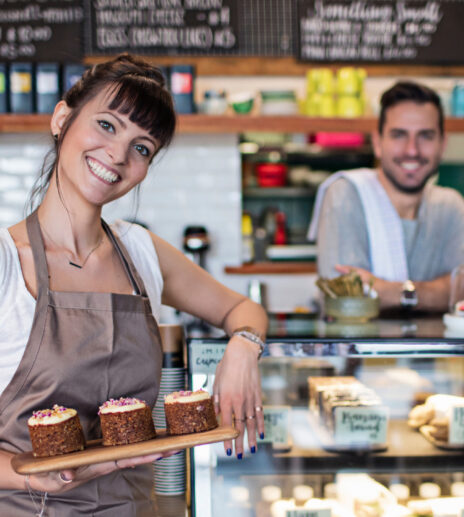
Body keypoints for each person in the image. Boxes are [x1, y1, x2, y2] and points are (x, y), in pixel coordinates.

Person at [0, 54, 267, 515]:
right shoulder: (6, 262)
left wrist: (243, 347)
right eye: (106, 125)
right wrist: (24, 471)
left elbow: (242, 309)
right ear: (62, 118)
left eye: (142, 147)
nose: (119, 155)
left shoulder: (141, 251)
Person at [308, 81, 464, 312]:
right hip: (359, 348)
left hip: (442, 348)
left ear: (443, 144)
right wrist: (438, 291)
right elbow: (346, 300)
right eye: (399, 135)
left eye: (426, 136)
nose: (412, 150)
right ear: (378, 143)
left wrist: (391, 292)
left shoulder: (450, 206)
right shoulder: (345, 194)